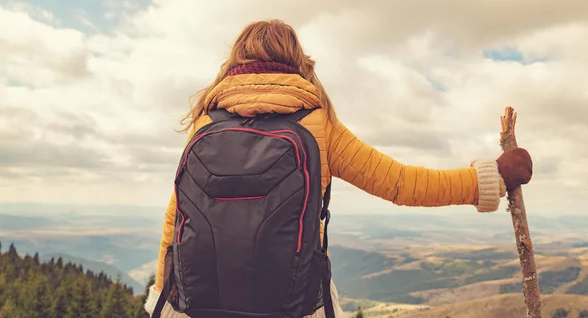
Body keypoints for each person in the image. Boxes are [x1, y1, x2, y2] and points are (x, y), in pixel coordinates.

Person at [144, 19, 533, 318]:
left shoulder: (206, 123)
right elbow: (400, 183)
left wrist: (165, 297)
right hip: (293, 301)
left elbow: (176, 217)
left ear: (236, 59)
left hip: (205, 301)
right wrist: (492, 176)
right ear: (296, 59)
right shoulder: (316, 122)